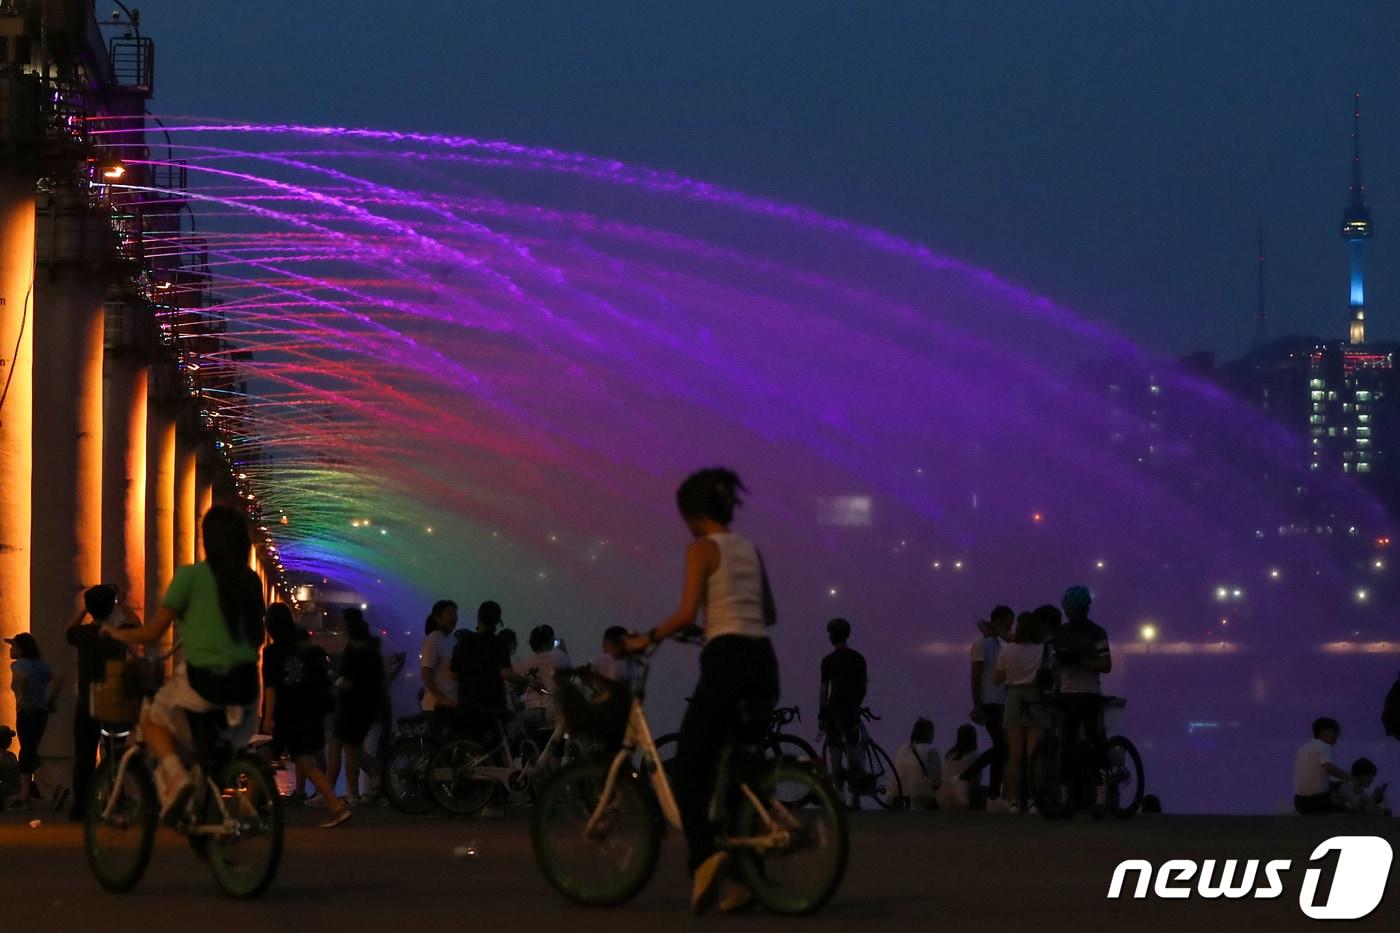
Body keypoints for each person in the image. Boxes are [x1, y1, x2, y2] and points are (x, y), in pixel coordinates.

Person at [623, 467, 778, 915]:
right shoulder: (750, 550)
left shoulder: (701, 548)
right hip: (763, 661)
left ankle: (705, 859)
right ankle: (749, 878)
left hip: (727, 660)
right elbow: (767, 612)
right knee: (740, 770)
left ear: (691, 515)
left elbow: (686, 611)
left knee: (691, 763)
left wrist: (645, 638)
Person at [102, 506, 268, 824]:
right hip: (246, 687)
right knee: (209, 748)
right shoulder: (249, 581)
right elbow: (255, 635)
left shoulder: (190, 577)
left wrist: (113, 631)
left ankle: (177, 778)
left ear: (206, 540)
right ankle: (206, 811)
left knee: (152, 717)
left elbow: (152, 633)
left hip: (206, 682)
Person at [261, 604, 351, 827]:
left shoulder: (271, 652)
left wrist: (268, 717)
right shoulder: (302, 652)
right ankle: (337, 807)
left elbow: (271, 686)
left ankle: (247, 810)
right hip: (300, 712)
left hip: (281, 715)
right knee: (306, 764)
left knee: (262, 761)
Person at [64, 584, 138, 820]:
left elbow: (69, 629)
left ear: (90, 607)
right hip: (114, 700)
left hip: (87, 700)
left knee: (84, 755)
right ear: (110, 607)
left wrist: (84, 609)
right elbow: (138, 625)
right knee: (115, 753)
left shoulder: (83, 634)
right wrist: (122, 603)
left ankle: (82, 805)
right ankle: (116, 799)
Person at [1051, 585, 1111, 816]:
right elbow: (1056, 664)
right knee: (1066, 746)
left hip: (1087, 693)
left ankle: (1100, 796)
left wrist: (1080, 661)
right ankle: (1066, 800)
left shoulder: (1097, 633)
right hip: (1067, 693)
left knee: (1094, 743)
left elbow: (1106, 665)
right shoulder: (1061, 633)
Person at [994, 611, 1052, 814]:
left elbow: (997, 678)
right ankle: (1035, 800)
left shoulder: (1008, 650)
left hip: (1013, 699)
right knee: (1034, 754)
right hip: (1036, 699)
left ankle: (1014, 801)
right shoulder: (1042, 649)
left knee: (1015, 755)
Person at [329, 608, 385, 806]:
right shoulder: (373, 653)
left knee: (350, 751)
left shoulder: (353, 653)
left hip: (351, 706)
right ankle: (378, 777)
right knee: (355, 749)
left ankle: (352, 793)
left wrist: (333, 679)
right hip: (368, 706)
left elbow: (348, 682)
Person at [450, 601, 529, 742]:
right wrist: (526, 681)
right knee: (496, 749)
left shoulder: (463, 642)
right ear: (497, 621)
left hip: (467, 705)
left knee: (474, 747)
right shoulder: (498, 643)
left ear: (478, 619)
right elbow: (506, 673)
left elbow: (453, 674)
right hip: (493, 707)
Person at [5, 632, 62, 811]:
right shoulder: (41, 665)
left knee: (28, 754)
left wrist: (27, 700)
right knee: (27, 752)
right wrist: (50, 701)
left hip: (26, 712)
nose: (10, 649)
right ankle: (24, 797)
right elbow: (59, 679)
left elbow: (23, 679)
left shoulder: (17, 665)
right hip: (41, 713)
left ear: (21, 649)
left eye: (13, 646)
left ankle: (55, 789)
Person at [819, 617, 868, 808]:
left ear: (831, 637)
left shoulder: (828, 661)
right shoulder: (858, 658)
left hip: (833, 714)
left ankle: (840, 798)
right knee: (854, 756)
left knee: (836, 757)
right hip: (851, 713)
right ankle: (856, 798)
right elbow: (863, 687)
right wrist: (857, 704)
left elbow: (824, 691)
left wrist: (821, 715)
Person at [969, 605, 1013, 806]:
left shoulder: (998, 645)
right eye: (1007, 622)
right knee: (1002, 746)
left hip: (1000, 702)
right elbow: (975, 677)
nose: (1010, 626)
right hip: (989, 702)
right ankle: (992, 793)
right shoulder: (981, 645)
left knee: (1001, 747)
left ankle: (991, 791)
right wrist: (977, 705)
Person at [1293, 717, 1357, 815]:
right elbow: (1329, 768)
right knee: (1342, 794)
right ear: (1323, 732)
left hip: (1299, 803)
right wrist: (1351, 778)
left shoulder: (1302, 749)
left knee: (1335, 785)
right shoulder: (1324, 747)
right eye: (1334, 733)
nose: (1336, 737)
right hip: (1318, 802)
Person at [517, 625, 571, 738]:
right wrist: (564, 652)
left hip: (529, 708)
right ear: (550, 640)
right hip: (550, 708)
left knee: (535, 747)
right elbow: (567, 679)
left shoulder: (526, 661)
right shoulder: (559, 656)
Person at [418, 600, 459, 719]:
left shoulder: (453, 641)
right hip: (436, 708)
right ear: (437, 617)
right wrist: (442, 699)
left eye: (455, 614)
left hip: (452, 706)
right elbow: (426, 673)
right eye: (449, 614)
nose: (454, 618)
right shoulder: (433, 639)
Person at [894, 717, 940, 810]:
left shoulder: (902, 749)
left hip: (899, 795)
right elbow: (937, 781)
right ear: (929, 733)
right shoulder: (931, 751)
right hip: (920, 797)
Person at [937, 724, 981, 810]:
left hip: (942, 797)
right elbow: (976, 782)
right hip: (961, 799)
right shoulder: (975, 757)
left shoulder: (950, 755)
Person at [588, 625, 642, 691]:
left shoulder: (606, 662)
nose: (603, 651)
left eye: (604, 646)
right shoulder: (632, 668)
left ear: (608, 644)